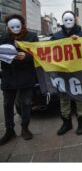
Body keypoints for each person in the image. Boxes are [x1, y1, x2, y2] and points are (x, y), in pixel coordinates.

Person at [0, 14, 38, 145]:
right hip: (8, 76)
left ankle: (25, 127)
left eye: (18, 26)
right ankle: (9, 130)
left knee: (26, 102)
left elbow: (38, 54)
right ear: (8, 27)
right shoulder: (3, 38)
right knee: (7, 104)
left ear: (22, 25)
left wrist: (26, 57)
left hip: (25, 76)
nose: (15, 29)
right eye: (12, 27)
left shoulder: (31, 37)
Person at [51, 11, 82, 136]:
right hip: (62, 72)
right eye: (65, 20)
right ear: (62, 21)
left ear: (74, 20)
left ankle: (81, 122)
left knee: (79, 97)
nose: (68, 22)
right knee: (64, 98)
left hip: (78, 72)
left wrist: (80, 42)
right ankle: (66, 123)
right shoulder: (56, 36)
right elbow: (48, 52)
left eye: (70, 19)